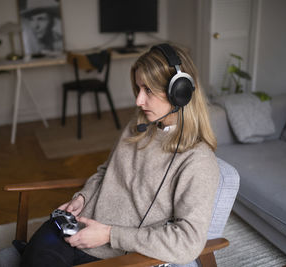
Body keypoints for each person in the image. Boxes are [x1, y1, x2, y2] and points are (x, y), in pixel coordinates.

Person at [20, 44, 220, 266]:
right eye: (138, 89)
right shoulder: (140, 126)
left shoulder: (198, 161)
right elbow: (107, 171)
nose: (138, 101)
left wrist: (109, 235)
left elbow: (188, 242)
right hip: (74, 226)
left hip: (108, 253)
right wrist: (82, 197)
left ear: (180, 93)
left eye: (149, 90)